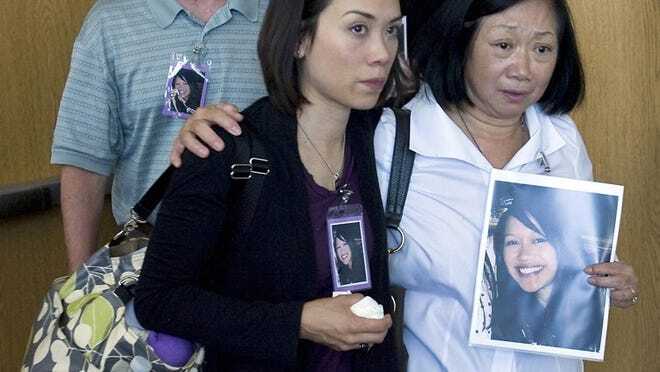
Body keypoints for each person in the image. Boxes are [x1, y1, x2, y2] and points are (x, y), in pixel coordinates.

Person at [171, 0, 640, 370]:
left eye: (543, 48)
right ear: (462, 41)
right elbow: (301, 137)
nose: (524, 68)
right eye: (503, 45)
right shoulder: (391, 135)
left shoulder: (563, 142)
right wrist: (210, 131)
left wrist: (606, 283)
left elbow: (573, 267)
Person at [134, 0, 410, 370]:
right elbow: (159, 300)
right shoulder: (224, 148)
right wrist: (298, 322)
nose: (381, 52)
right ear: (299, 39)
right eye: (358, 29)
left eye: (391, 30)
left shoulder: (384, 137)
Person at [50, 0, 268, 271]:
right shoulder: (109, 22)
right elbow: (84, 164)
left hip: (264, 256)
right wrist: (80, 286)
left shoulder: (285, 14)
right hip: (149, 261)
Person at [490, 184, 612, 352]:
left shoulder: (591, 311)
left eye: (538, 240)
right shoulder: (497, 315)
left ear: (562, 244)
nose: (524, 255)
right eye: (512, 242)